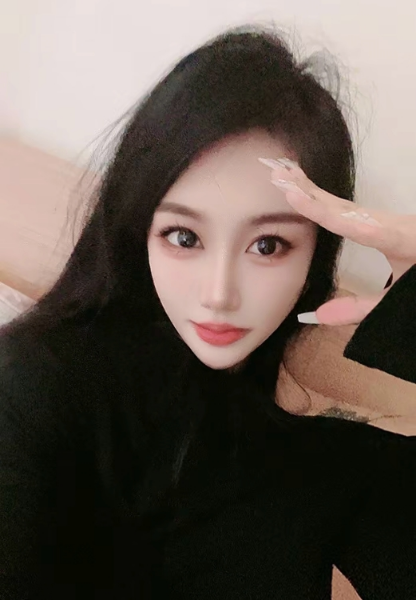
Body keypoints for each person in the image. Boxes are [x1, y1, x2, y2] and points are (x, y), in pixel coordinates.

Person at [0, 24, 415, 599]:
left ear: (315, 259)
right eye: (184, 236)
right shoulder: (34, 385)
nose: (219, 293)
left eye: (267, 245)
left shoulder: (328, 464)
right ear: (137, 232)